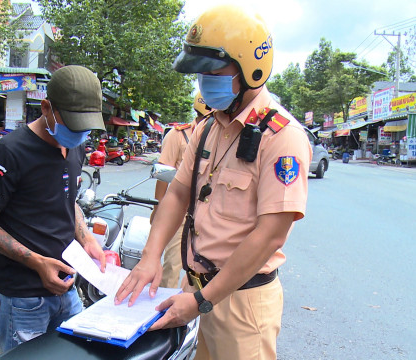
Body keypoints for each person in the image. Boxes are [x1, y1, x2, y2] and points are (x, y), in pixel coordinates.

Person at [115, 5, 312, 360]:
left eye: (212, 71)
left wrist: (202, 301)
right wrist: (150, 256)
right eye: (199, 74)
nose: (204, 83)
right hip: (198, 291)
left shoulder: (282, 137)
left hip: (241, 300)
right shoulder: (209, 127)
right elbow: (177, 192)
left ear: (250, 67)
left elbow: (270, 234)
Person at [0, 65, 107, 353]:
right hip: (22, 298)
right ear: (46, 108)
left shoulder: (76, 147)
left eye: (85, 127)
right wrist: (37, 262)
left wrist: (87, 239)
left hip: (67, 288)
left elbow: (68, 203)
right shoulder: (8, 152)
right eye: (72, 124)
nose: (79, 134)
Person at [150, 92, 208, 288]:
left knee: (202, 270)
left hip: (206, 214)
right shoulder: (178, 136)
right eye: (201, 117)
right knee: (172, 266)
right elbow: (163, 172)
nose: (204, 121)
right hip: (180, 213)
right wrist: (158, 209)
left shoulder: (220, 137)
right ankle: (164, 312)